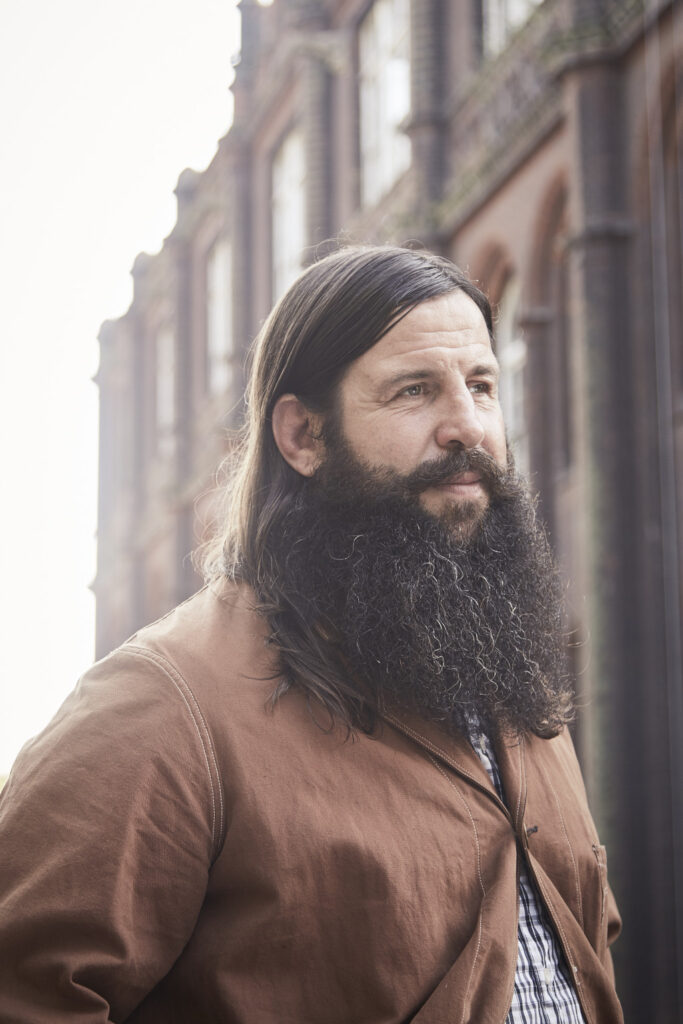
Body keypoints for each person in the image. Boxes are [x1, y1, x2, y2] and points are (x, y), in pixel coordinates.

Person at [0, 245, 622, 1023]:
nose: (467, 426)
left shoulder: (506, 674)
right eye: (413, 391)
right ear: (302, 435)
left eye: (482, 386)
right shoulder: (163, 706)